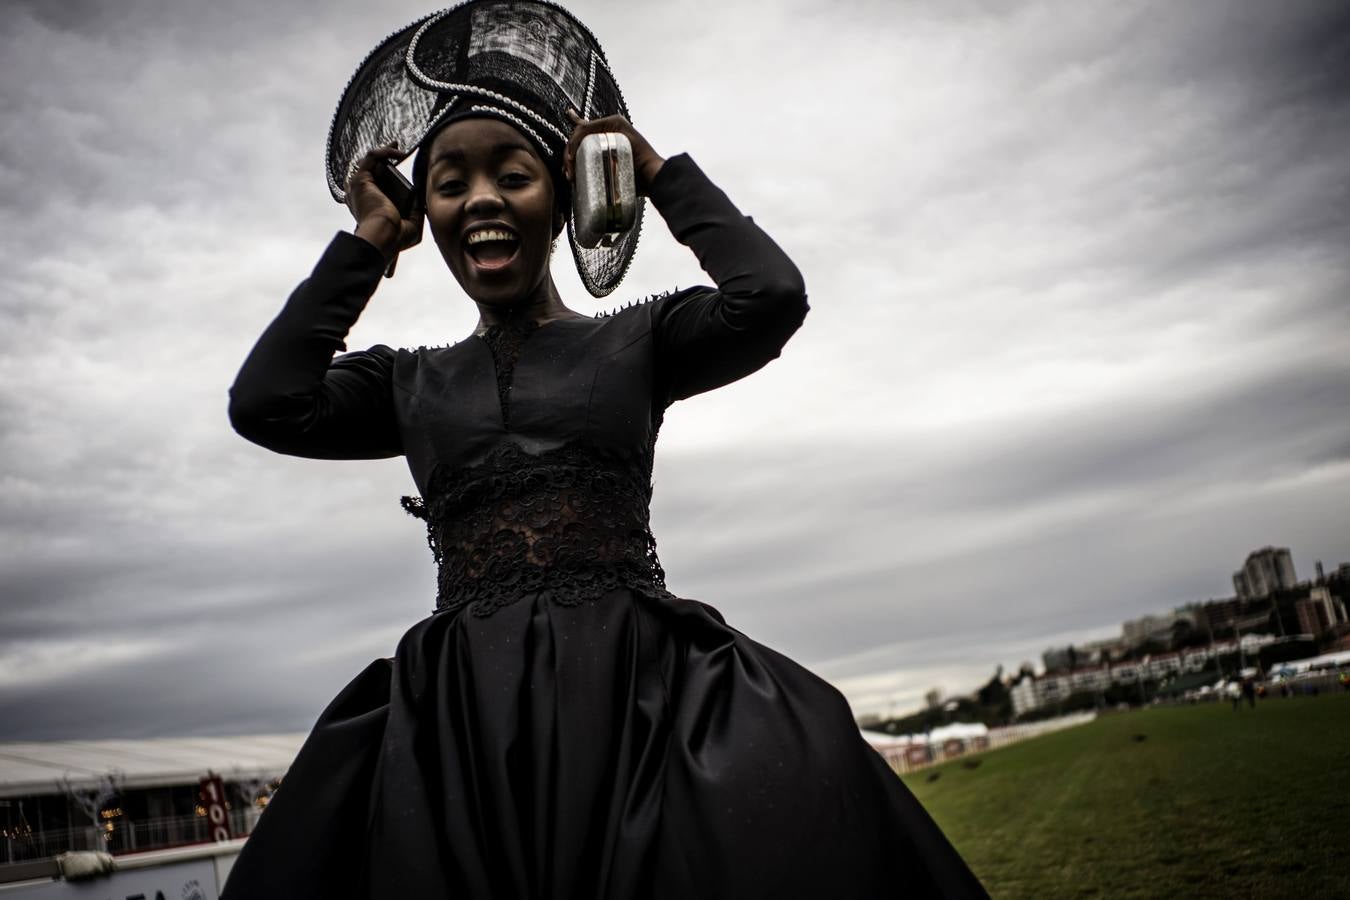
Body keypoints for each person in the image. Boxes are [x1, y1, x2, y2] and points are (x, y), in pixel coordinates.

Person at [222, 5, 987, 898]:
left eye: (513, 175)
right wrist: (361, 246)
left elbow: (770, 295)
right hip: (463, 730)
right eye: (448, 183)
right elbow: (266, 403)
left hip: (643, 700)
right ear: (425, 216)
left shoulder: (640, 341)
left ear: (567, 194)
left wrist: (651, 171)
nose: (480, 199)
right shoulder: (405, 383)